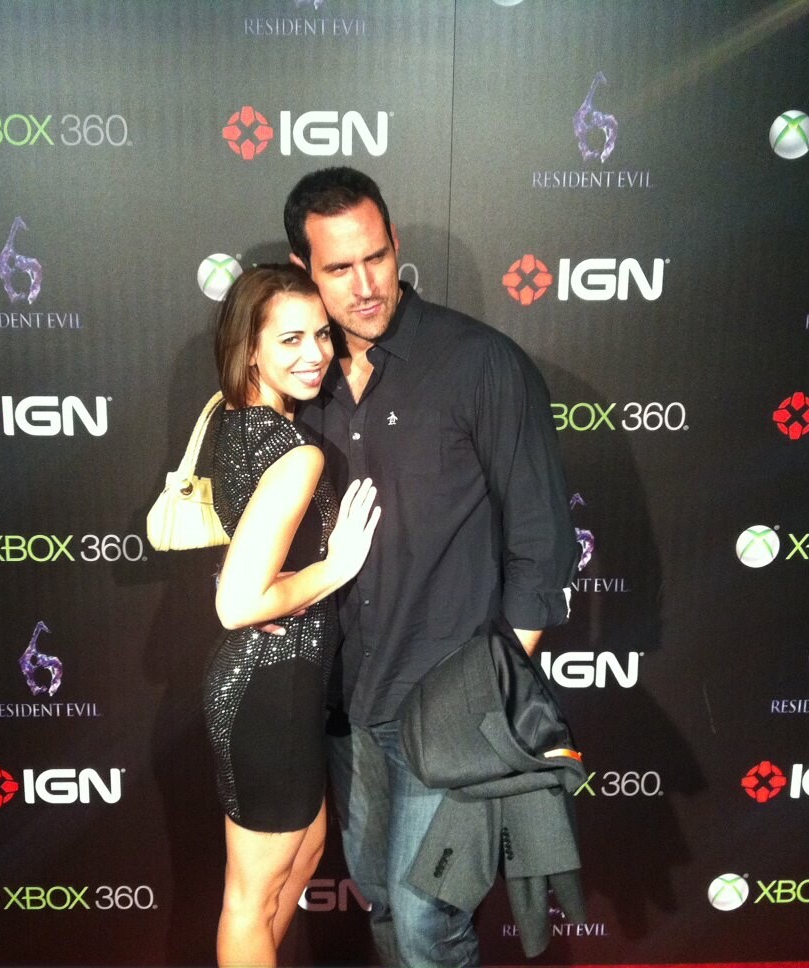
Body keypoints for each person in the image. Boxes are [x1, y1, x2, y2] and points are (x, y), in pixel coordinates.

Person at [284, 167, 580, 967]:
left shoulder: (479, 364)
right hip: (346, 705)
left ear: (395, 244)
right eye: (339, 268)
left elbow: (542, 542)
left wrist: (487, 689)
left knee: (426, 921)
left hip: (445, 703)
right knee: (381, 900)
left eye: (376, 257)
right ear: (303, 268)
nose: (365, 285)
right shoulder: (299, 382)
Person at [202, 263, 382, 967]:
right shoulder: (294, 451)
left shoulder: (238, 422)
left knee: (303, 857)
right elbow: (237, 604)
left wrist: (284, 578)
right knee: (252, 897)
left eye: (322, 335)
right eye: (290, 340)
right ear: (249, 349)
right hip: (268, 689)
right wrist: (336, 567)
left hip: (285, 683)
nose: (315, 354)